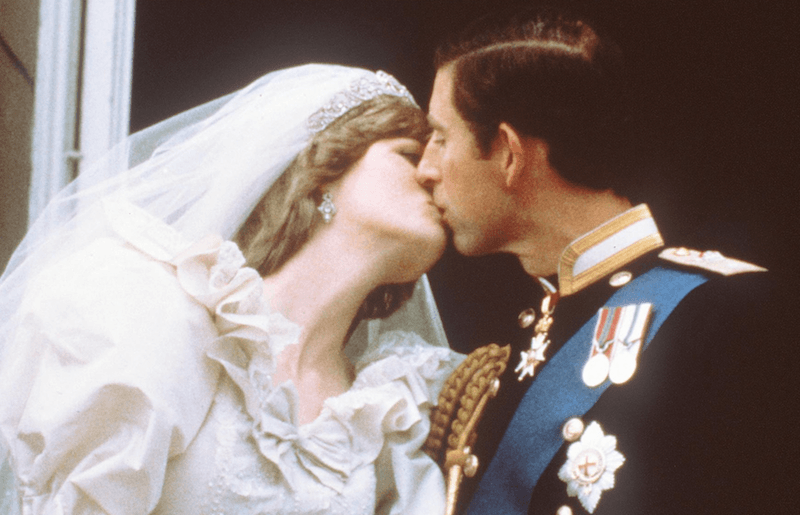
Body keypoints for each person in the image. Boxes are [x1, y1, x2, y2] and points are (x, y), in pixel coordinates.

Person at [0, 64, 465, 514]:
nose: (432, 175)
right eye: (409, 154)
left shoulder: (389, 413)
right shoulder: (156, 316)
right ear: (326, 169)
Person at [416, 6, 795, 515]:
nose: (425, 169)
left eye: (441, 138)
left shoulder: (730, 316)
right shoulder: (522, 337)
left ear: (508, 153)